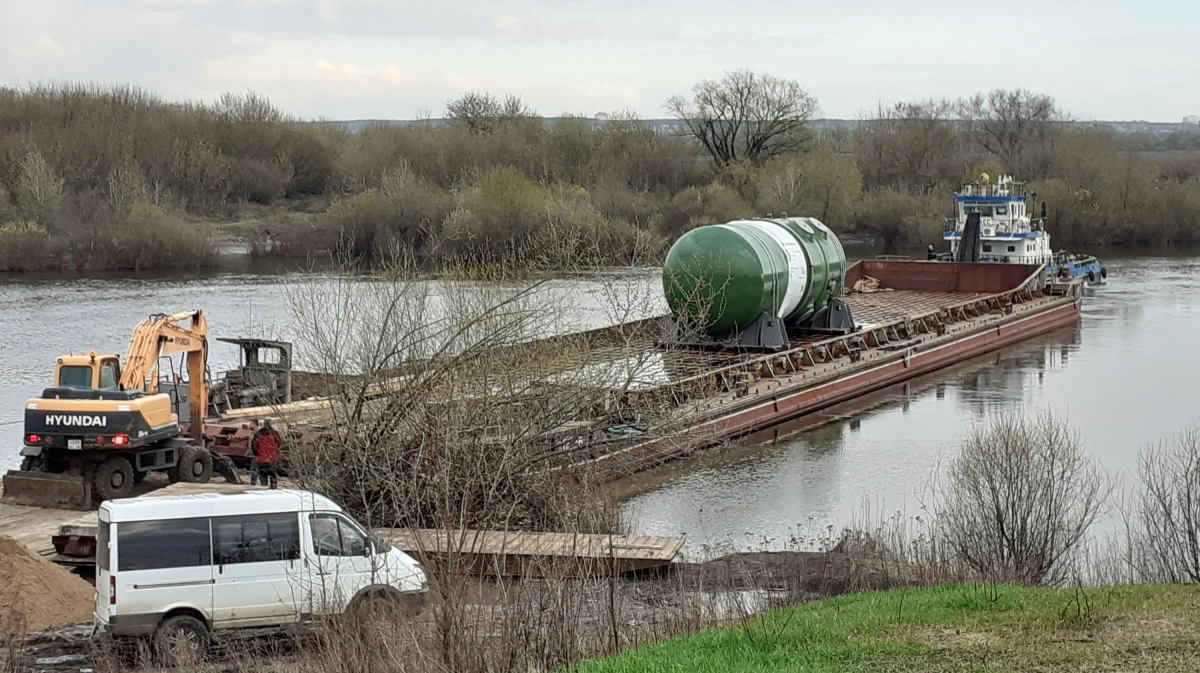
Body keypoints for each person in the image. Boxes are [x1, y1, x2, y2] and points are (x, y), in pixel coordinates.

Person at [250, 418, 282, 489]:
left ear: (263, 424)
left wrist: (257, 454)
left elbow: (254, 446)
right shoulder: (276, 434)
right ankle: (274, 490)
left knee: (263, 480)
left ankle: (264, 490)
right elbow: (279, 445)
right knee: (273, 478)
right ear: (271, 424)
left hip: (262, 459)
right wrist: (275, 453)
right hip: (273, 459)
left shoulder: (258, 433)